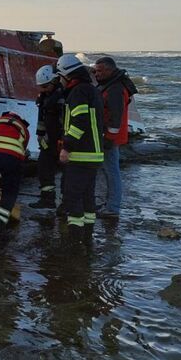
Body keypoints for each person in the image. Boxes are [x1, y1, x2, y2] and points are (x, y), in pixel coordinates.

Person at [56, 54, 105, 247]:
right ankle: (87, 237)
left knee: (72, 196)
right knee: (87, 197)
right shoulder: (91, 90)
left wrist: (66, 147)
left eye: (60, 76)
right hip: (93, 154)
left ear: (66, 75)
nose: (59, 80)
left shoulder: (77, 92)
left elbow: (79, 122)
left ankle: (74, 239)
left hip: (81, 154)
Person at [92, 56, 138, 219]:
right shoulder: (111, 85)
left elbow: (115, 116)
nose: (96, 74)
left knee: (112, 172)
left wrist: (109, 138)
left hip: (111, 137)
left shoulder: (115, 89)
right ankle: (110, 204)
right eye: (95, 70)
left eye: (99, 71)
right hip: (109, 135)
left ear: (109, 70)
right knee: (108, 171)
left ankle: (112, 208)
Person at [29, 65, 65, 209]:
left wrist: (64, 139)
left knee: (66, 172)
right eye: (41, 87)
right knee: (44, 167)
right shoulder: (45, 97)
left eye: (45, 86)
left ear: (54, 81)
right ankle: (47, 200)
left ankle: (64, 202)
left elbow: (65, 120)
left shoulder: (62, 97)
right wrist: (40, 135)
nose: (42, 90)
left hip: (60, 139)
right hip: (48, 139)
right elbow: (42, 119)